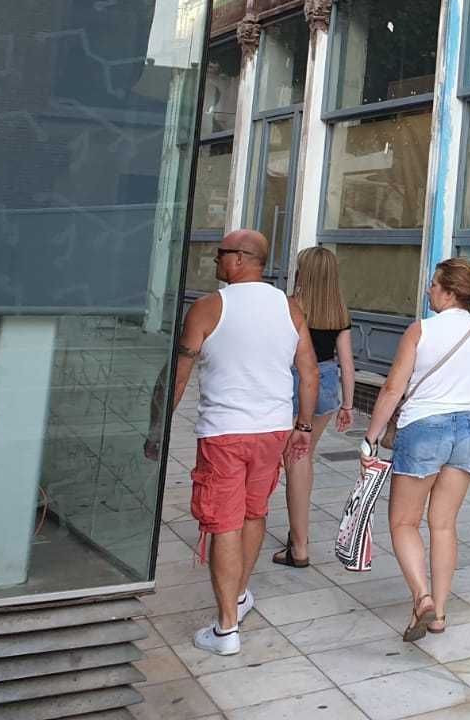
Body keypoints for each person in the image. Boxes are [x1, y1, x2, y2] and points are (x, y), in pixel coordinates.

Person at [156, 229, 319, 655]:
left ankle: (226, 628)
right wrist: (302, 427)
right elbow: (309, 373)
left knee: (224, 522)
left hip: (225, 433)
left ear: (240, 259)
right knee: (253, 513)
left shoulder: (210, 307)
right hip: (272, 430)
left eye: (220, 253)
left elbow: (180, 371)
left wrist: (156, 426)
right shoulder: (290, 308)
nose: (214, 260)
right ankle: (240, 596)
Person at [360, 257, 470, 642]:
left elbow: (392, 390)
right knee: (444, 524)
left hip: (425, 428)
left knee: (404, 522)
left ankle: (421, 598)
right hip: (469, 429)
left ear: (450, 292)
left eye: (434, 285)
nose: (428, 290)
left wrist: (370, 437)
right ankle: (439, 614)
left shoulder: (420, 330)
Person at [271, 246, 354, 568]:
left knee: (287, 459)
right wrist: (347, 403)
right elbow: (347, 362)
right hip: (327, 383)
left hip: (293, 381)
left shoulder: (289, 306)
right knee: (303, 459)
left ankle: (294, 543)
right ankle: (298, 540)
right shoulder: (339, 312)